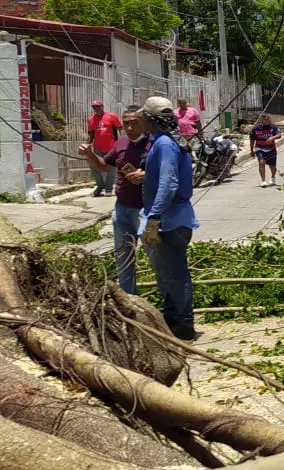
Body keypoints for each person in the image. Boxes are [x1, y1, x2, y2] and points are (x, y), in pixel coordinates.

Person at [138, 96, 199, 340]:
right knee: (167, 271)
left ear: (150, 119)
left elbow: (168, 183)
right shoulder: (172, 141)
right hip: (176, 216)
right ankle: (172, 317)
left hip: (169, 219)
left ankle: (183, 322)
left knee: (174, 271)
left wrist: (154, 218)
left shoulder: (164, 144)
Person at [79, 106, 149, 294]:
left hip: (145, 211)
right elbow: (103, 167)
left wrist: (146, 175)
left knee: (154, 256)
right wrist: (90, 154)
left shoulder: (155, 144)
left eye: (134, 123)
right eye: (126, 124)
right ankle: (129, 298)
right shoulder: (121, 144)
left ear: (144, 123)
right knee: (123, 257)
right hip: (122, 209)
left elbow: (168, 173)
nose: (130, 127)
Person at [87, 100, 122, 197]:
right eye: (94, 107)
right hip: (98, 148)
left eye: (98, 106)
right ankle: (100, 185)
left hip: (111, 147)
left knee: (111, 169)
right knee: (94, 167)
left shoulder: (112, 116)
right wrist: (87, 146)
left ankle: (108, 189)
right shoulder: (91, 120)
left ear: (102, 106)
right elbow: (91, 134)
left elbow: (120, 129)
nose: (96, 108)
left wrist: (122, 142)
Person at [250, 114, 282, 187]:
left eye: (268, 119)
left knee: (272, 166)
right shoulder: (256, 128)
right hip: (259, 148)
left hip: (271, 149)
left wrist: (272, 138)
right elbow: (252, 140)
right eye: (265, 119)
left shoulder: (273, 127)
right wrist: (252, 150)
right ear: (262, 120)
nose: (267, 121)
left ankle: (273, 177)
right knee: (261, 162)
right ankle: (263, 181)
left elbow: (279, 135)